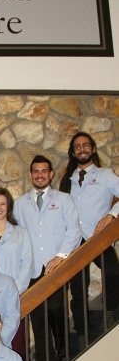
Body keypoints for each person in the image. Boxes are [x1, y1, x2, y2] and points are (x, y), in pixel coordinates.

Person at [14, 155, 81, 361]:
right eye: (36, 171)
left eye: (44, 171)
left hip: (56, 270)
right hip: (32, 272)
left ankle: (64, 360)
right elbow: (16, 237)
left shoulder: (64, 200)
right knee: (39, 325)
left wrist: (60, 257)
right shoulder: (20, 204)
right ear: (31, 174)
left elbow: (74, 231)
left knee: (58, 317)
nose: (40, 175)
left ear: (51, 174)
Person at [59, 132, 119, 343]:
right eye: (77, 146)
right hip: (76, 241)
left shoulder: (105, 175)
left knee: (113, 272)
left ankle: (112, 316)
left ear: (92, 149)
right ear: (73, 152)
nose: (82, 149)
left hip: (98, 238)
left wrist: (111, 215)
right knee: (77, 288)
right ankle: (82, 330)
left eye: (86, 145)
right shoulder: (67, 180)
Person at [0, 187, 33, 359]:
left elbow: (27, 265)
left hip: (14, 300)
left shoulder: (20, 233)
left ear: (8, 207)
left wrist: (12, 292)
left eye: (3, 204)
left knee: (16, 348)